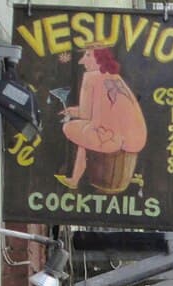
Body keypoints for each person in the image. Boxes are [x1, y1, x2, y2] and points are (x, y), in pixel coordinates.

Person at [55, 45, 148, 191]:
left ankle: (74, 179)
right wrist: (76, 111)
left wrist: (72, 113)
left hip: (110, 139)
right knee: (86, 129)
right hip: (134, 140)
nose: (81, 61)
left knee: (70, 127)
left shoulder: (91, 77)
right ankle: (74, 179)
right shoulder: (114, 77)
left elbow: (86, 114)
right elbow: (103, 111)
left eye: (87, 56)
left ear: (98, 59)